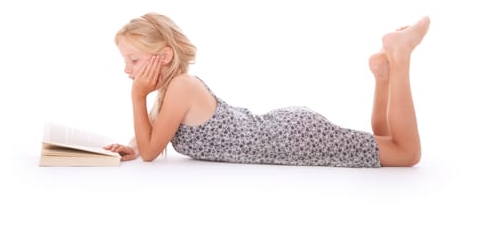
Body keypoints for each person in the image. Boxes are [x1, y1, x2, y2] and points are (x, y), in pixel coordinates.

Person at [105, 12, 431, 167]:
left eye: (133, 60)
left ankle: (399, 56)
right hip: (284, 130)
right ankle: (383, 75)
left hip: (292, 139)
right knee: (385, 143)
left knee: (406, 154)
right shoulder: (174, 91)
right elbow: (149, 137)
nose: (127, 69)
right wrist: (131, 146)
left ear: (163, 56)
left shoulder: (182, 86)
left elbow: (152, 152)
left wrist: (136, 97)